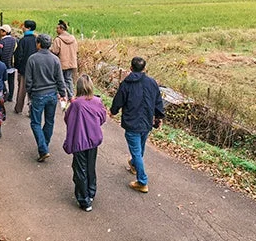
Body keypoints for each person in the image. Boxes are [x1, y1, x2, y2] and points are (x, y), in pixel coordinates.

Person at [109, 56, 165, 193]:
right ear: (145, 69)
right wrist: (159, 117)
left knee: (136, 152)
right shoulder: (152, 83)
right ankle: (134, 165)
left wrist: (113, 111)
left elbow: (118, 100)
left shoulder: (126, 84)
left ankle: (142, 181)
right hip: (146, 122)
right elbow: (158, 102)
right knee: (139, 148)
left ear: (131, 68)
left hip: (132, 122)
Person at [62, 74, 106, 211]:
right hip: (93, 140)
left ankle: (84, 199)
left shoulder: (76, 104)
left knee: (80, 169)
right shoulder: (97, 101)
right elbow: (103, 117)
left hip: (80, 141)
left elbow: (68, 119)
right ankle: (91, 192)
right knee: (90, 166)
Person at [25, 33, 66, 162]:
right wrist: (63, 93)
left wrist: (29, 92)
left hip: (38, 94)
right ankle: (44, 146)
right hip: (52, 95)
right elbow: (60, 79)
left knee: (35, 122)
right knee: (49, 121)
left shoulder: (32, 59)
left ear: (38, 44)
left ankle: (43, 148)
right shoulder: (55, 59)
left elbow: (28, 80)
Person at [12, 20, 37, 114]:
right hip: (35, 70)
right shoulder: (37, 39)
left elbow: (18, 55)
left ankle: (18, 108)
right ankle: (32, 111)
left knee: (21, 90)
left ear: (28, 28)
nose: (22, 28)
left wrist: (17, 67)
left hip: (24, 69)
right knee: (33, 91)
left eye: (24, 26)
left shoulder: (23, 40)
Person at [51, 19, 78, 100]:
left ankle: (60, 95)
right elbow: (76, 50)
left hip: (61, 63)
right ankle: (71, 96)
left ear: (61, 29)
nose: (56, 30)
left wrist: (50, 50)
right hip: (71, 62)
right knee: (68, 79)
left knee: (59, 79)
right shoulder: (73, 38)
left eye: (57, 28)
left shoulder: (58, 39)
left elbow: (55, 51)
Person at [0, 24, 18, 102]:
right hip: (12, 64)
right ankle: (10, 97)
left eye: (0, 30)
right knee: (11, 82)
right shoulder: (15, 40)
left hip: (3, 64)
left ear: (4, 32)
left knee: (1, 80)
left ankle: (5, 93)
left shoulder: (1, 42)